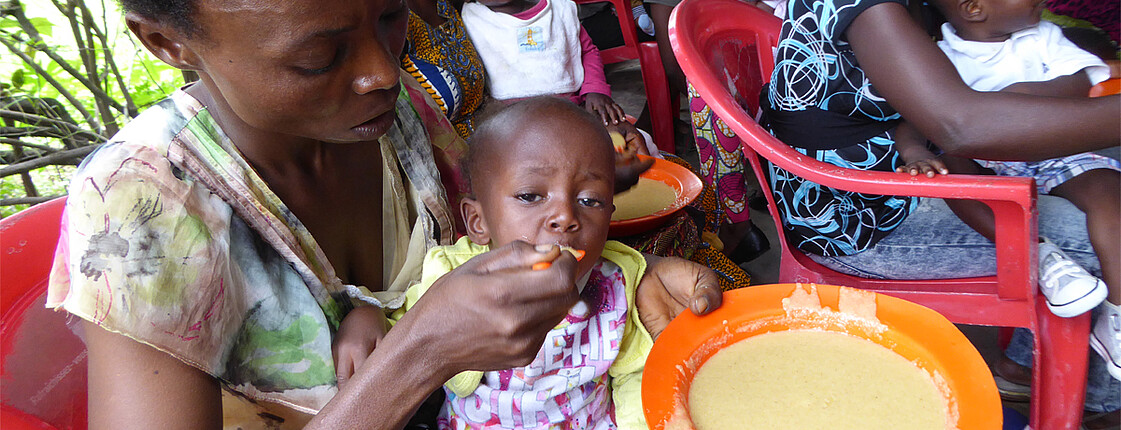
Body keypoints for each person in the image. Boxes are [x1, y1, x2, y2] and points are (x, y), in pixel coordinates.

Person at [43, 0, 723, 428]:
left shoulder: (390, 115)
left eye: (391, 17)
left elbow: (487, 250)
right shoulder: (138, 209)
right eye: (318, 56)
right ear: (166, 43)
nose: (383, 72)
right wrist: (416, 356)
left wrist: (619, 275)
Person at [760, 0, 1120, 427]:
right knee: (1101, 233)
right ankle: (1101, 403)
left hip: (896, 180)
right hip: (857, 218)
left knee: (1093, 197)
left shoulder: (927, 13)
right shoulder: (865, 7)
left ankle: (1023, 367)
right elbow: (959, 126)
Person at [337, 97, 657, 429]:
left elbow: (636, 373)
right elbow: (410, 335)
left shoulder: (615, 286)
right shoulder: (454, 277)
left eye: (589, 200)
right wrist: (368, 314)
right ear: (478, 221)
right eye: (530, 196)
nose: (565, 217)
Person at [893, 0, 1120, 380]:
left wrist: (1013, 97)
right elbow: (912, 120)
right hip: (991, 167)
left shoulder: (1044, 36)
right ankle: (1041, 256)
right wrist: (915, 151)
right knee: (954, 173)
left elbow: (1081, 80)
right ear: (974, 8)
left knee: (1111, 194)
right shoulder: (937, 59)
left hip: (1056, 150)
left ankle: (1116, 314)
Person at [460, 0, 628, 126]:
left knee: (638, 140)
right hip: (511, 122)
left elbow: (586, 51)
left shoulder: (560, 9)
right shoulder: (472, 20)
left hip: (572, 110)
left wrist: (595, 90)